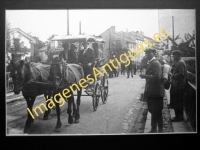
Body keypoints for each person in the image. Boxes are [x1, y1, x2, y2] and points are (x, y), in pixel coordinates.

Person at [140, 48, 165, 133]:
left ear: (154, 53)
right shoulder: (150, 62)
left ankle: (155, 129)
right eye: (146, 53)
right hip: (152, 92)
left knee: (155, 111)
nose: (147, 55)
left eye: (149, 53)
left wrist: (145, 76)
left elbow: (157, 77)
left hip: (156, 92)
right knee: (154, 111)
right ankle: (158, 129)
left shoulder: (156, 63)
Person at [169, 50, 187, 122]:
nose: (173, 56)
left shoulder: (181, 63)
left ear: (178, 55)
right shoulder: (178, 62)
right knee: (177, 102)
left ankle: (179, 117)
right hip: (176, 85)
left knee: (178, 102)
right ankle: (178, 116)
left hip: (179, 86)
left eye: (174, 55)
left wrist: (173, 75)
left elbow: (181, 74)